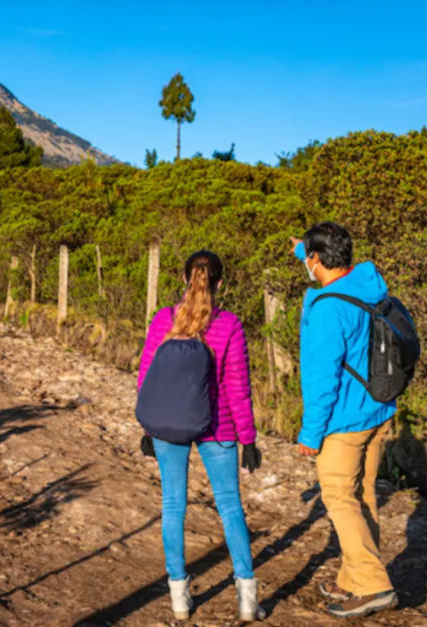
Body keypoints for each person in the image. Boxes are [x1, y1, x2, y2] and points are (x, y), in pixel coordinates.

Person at [137, 250, 264, 622]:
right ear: (220, 284)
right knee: (229, 506)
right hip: (219, 425)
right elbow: (238, 387)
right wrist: (249, 439)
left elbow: (146, 376)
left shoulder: (164, 319)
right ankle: (246, 598)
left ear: (183, 279)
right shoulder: (230, 325)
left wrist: (148, 428)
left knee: (173, 505)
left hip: (169, 424)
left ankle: (179, 596)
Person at [291, 222, 398, 619]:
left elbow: (322, 379)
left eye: (309, 257)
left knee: (338, 498)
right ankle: (354, 578)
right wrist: (307, 252)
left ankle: (373, 586)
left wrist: (310, 434)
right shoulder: (369, 285)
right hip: (378, 409)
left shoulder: (328, 308)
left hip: (344, 421)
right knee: (363, 494)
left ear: (317, 259)